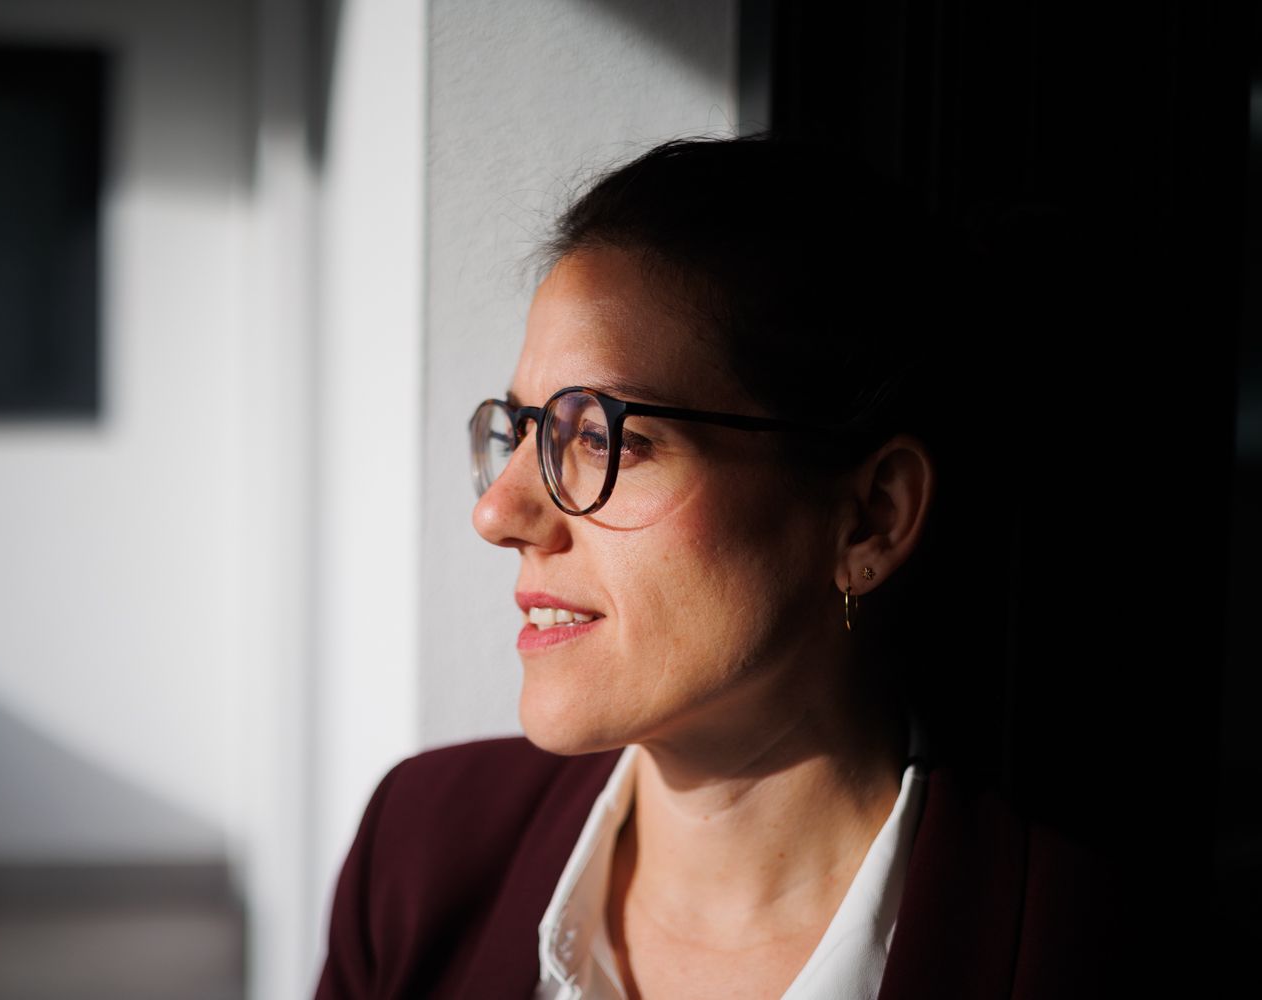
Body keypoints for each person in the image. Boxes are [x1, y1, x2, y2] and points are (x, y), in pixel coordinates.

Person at [314, 135, 1119, 1000]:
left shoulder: (1089, 956)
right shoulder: (420, 853)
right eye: (522, 432)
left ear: (870, 518)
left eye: (597, 437)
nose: (497, 513)